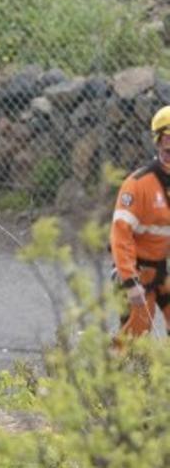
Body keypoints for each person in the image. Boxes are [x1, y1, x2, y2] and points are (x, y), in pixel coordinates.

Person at [111, 106, 170, 341]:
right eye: (165, 143)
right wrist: (129, 280)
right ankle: (113, 375)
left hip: (163, 269)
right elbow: (120, 235)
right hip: (137, 272)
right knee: (136, 332)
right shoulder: (138, 184)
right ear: (157, 143)